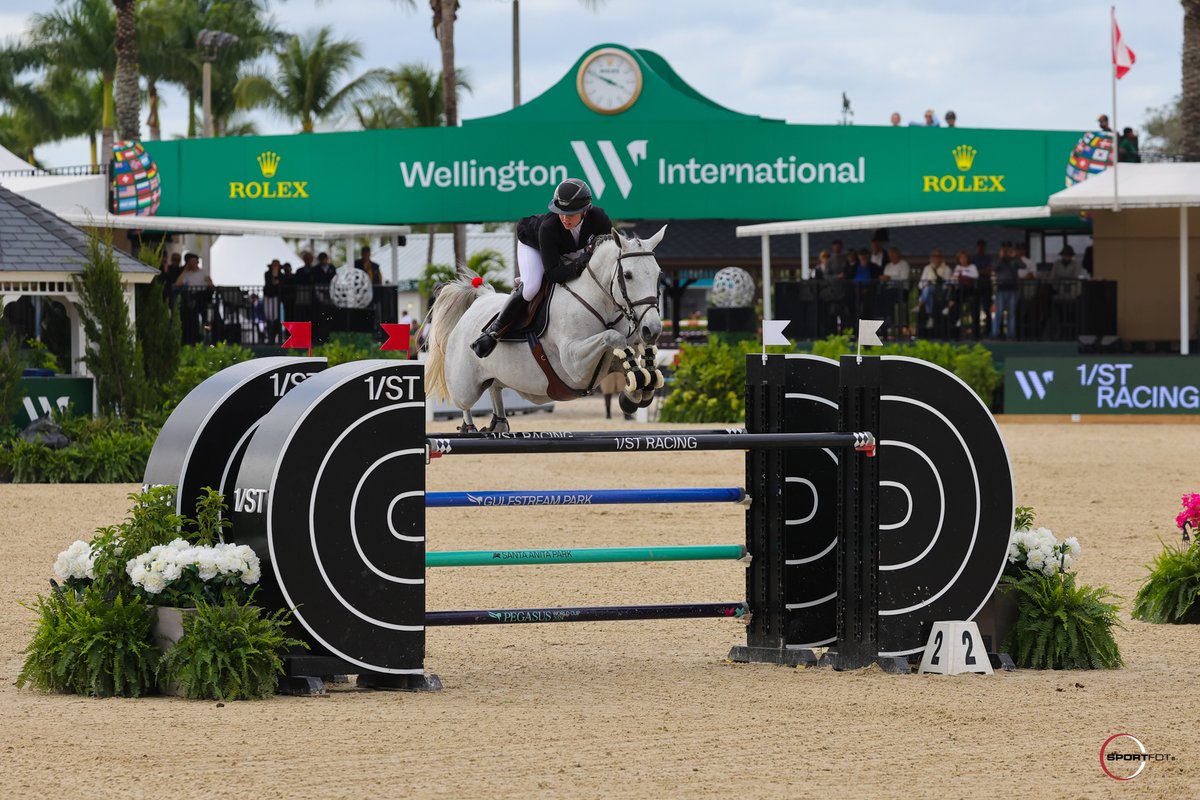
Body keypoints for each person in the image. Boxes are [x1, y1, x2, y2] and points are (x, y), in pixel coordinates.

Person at [471, 178, 612, 358]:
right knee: (531, 287)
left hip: (569, 251)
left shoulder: (600, 220)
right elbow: (553, 274)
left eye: (570, 214)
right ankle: (494, 331)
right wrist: (579, 264)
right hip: (534, 245)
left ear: (585, 211)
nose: (564, 218)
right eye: (561, 212)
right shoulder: (549, 227)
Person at [991, 241, 1021, 339]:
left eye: (1008, 247)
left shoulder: (1014, 260)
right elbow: (994, 268)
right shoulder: (998, 259)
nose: (1006, 249)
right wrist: (1001, 257)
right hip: (1001, 289)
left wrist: (1014, 257)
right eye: (1004, 248)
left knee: (1011, 313)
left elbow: (1023, 265)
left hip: (1012, 289)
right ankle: (995, 333)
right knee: (998, 313)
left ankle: (1011, 334)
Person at [263, 259, 287, 343]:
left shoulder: (281, 275)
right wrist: (274, 280)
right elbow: (269, 285)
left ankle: (276, 336)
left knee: (275, 316)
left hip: (276, 297)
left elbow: (280, 285)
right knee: (269, 316)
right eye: (274, 265)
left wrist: (276, 277)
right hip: (268, 297)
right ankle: (270, 336)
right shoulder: (267, 274)